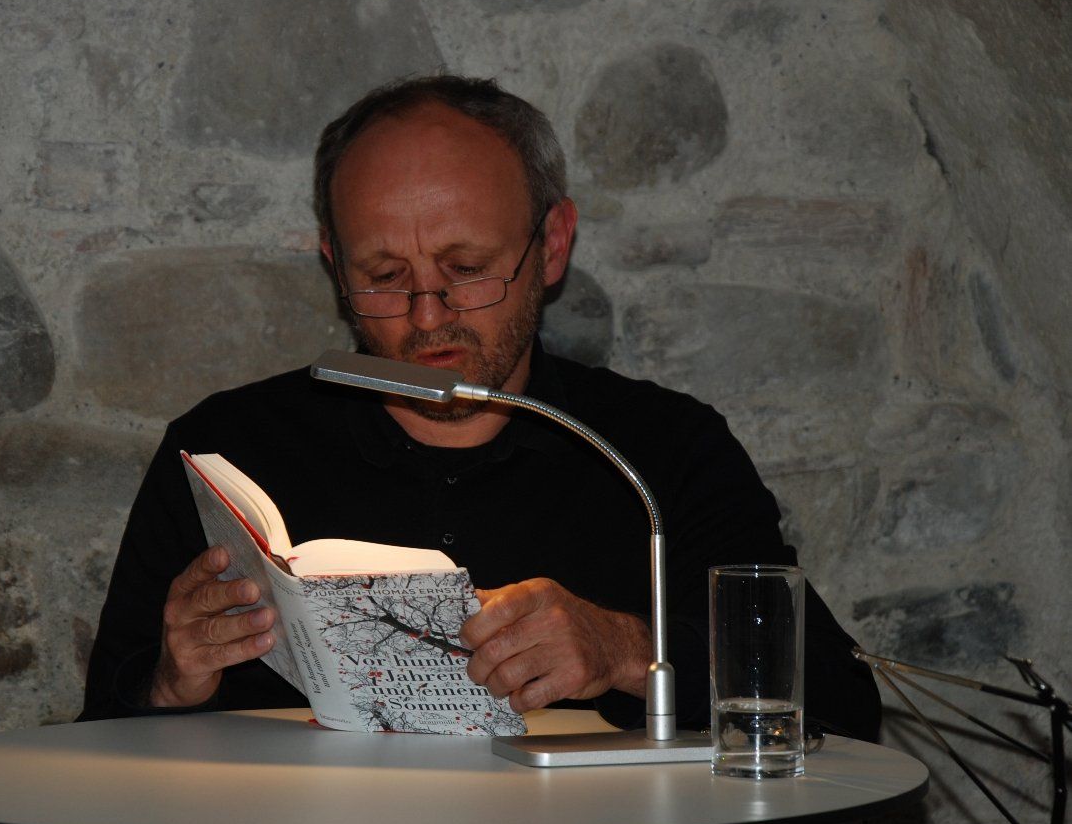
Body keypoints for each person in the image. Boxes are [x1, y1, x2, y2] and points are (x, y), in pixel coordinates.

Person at [79, 75, 880, 745]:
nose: (428, 316)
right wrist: (169, 685)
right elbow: (99, 761)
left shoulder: (659, 452)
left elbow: (842, 709)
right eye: (384, 276)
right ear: (333, 262)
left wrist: (629, 651)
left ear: (552, 244)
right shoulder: (227, 447)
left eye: (465, 268)